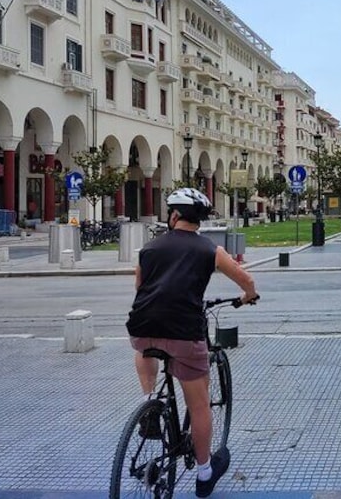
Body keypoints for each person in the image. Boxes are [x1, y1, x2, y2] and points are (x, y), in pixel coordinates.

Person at [126, 187, 259, 498]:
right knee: (199, 406)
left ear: (173, 215)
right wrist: (247, 297)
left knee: (144, 347)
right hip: (184, 331)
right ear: (199, 220)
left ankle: (149, 406)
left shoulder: (149, 248)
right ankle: (204, 472)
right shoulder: (209, 250)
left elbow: (139, 286)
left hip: (142, 324)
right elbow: (247, 282)